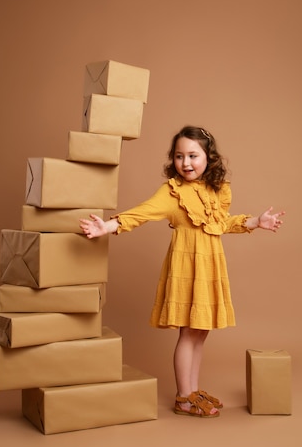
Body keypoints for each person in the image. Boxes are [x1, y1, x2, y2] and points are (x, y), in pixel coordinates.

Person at [80, 125, 285, 419]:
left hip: (210, 264)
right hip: (187, 266)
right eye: (179, 156)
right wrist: (108, 226)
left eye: (193, 155)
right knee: (189, 333)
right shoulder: (172, 192)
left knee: (200, 331)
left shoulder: (217, 190)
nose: (186, 163)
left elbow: (222, 223)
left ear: (208, 157)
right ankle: (183, 397)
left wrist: (256, 222)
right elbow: (142, 212)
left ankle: (193, 389)